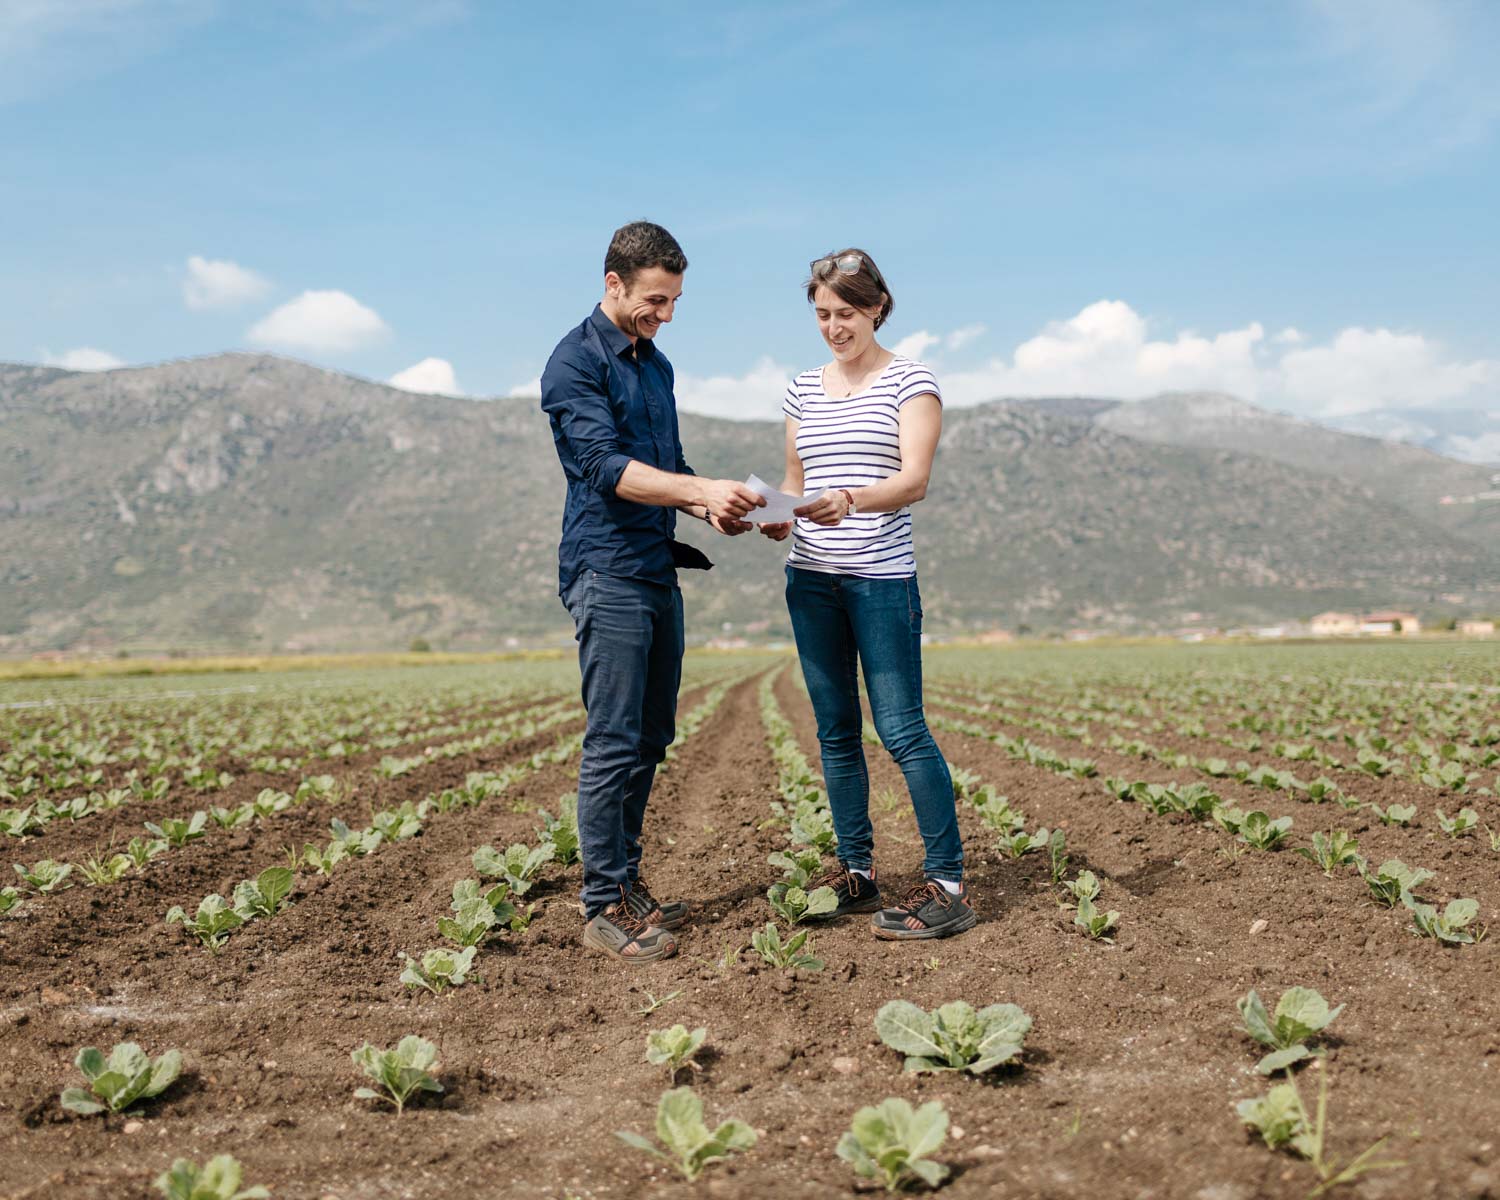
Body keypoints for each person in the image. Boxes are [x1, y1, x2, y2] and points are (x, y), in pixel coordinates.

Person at [540, 220, 765, 963]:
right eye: (654, 300)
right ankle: (603, 902)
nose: (665, 315)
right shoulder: (573, 363)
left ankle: (627, 879)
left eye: (673, 302)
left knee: (653, 736)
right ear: (614, 283)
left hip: (654, 568)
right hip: (606, 571)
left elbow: (665, 463)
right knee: (612, 740)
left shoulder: (655, 365)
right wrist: (696, 489)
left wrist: (714, 508)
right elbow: (608, 468)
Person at [759, 248, 974, 940]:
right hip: (811, 579)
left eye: (845, 313)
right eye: (822, 314)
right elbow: (795, 480)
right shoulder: (800, 389)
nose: (833, 327)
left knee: (902, 728)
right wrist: (775, 514)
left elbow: (915, 481)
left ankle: (946, 882)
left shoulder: (911, 381)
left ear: (877, 306)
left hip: (881, 581)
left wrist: (851, 499)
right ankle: (856, 869)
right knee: (833, 731)